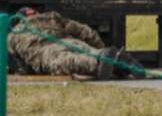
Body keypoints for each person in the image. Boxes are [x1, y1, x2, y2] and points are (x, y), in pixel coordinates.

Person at [6, 8, 140, 79]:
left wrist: (28, 71)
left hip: (46, 51)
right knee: (90, 52)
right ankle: (118, 61)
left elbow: (20, 65)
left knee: (72, 62)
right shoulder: (52, 17)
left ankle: (99, 60)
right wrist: (100, 47)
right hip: (71, 41)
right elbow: (83, 31)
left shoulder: (14, 34)